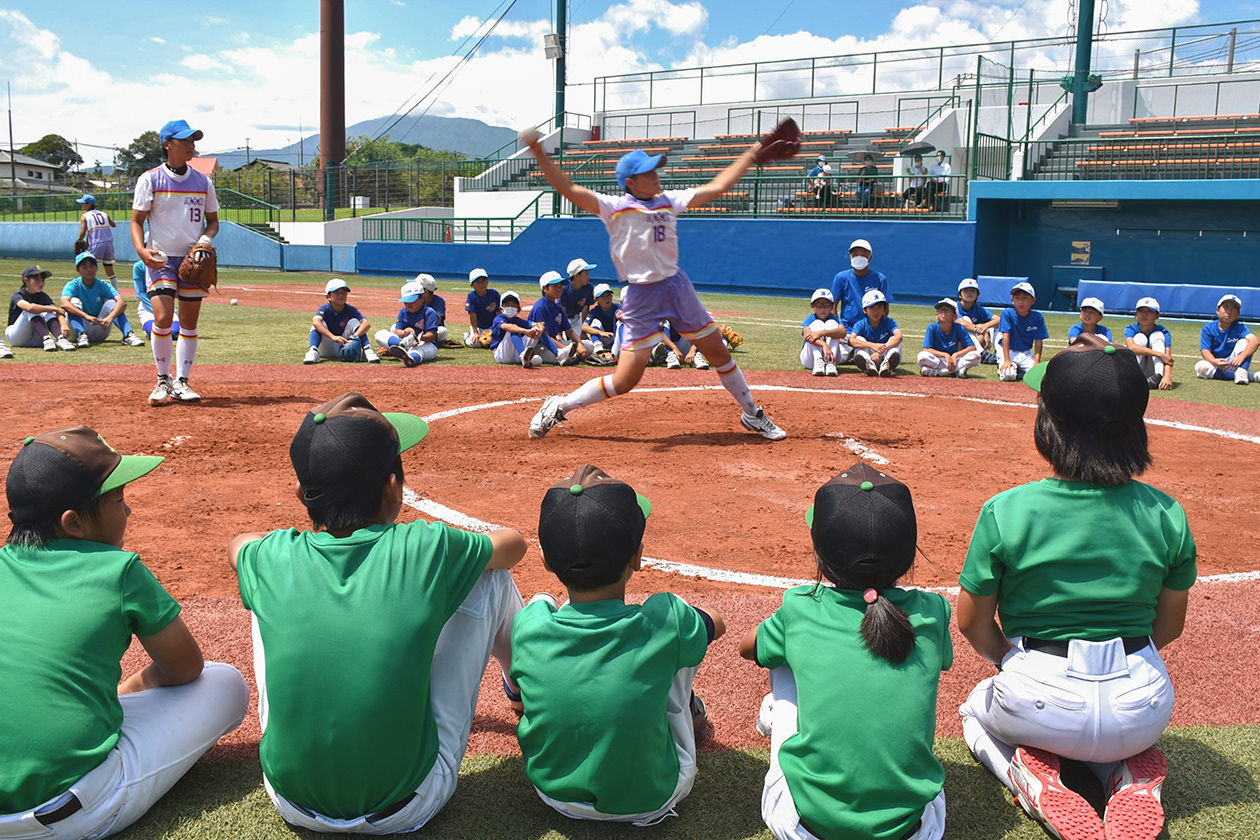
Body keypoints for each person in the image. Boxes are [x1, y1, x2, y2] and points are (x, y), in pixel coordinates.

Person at [229, 392, 526, 834]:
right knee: (491, 577)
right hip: (407, 805)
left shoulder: (271, 555)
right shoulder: (427, 545)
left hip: (290, 801)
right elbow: (513, 545)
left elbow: (238, 546)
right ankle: (523, 690)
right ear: (393, 486)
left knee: (266, 583)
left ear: (300, 492)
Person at [957, 341, 1196, 840]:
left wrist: (1010, 660)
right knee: (1111, 733)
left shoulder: (1007, 510)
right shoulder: (1167, 513)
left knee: (974, 710)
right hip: (1143, 703)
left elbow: (972, 622)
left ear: (1050, 425)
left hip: (1039, 694)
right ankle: (1121, 773)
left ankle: (1026, 777)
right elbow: (1168, 628)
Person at [0, 426, 248, 839]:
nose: (128, 511)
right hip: (72, 814)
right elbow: (186, 668)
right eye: (118, 500)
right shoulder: (118, 569)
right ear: (73, 523)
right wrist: (136, 683)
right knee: (226, 683)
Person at [521, 131, 786, 441]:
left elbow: (718, 187)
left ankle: (752, 414)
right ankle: (560, 405)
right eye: (648, 171)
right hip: (641, 297)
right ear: (631, 181)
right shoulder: (615, 207)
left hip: (676, 287)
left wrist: (752, 153)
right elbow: (567, 188)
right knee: (625, 380)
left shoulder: (668, 201)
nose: (656, 175)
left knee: (719, 353)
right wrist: (539, 151)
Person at [739, 463, 951, 840]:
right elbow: (943, 662)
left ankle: (775, 721)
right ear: (908, 553)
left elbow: (749, 648)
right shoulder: (933, 609)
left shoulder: (800, 606)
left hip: (805, 828)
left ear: (820, 550)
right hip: (915, 832)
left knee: (783, 661)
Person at [512, 464, 724, 825]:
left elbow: (541, 609)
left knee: (546, 605)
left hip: (553, 794)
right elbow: (716, 622)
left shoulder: (529, 626)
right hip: (652, 798)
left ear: (547, 562)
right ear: (637, 557)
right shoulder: (664, 618)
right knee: (679, 640)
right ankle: (691, 714)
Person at [131, 118, 219, 405]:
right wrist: (142, 252)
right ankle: (162, 379)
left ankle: (182, 381)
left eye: (193, 141)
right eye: (185, 141)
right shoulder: (150, 179)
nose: (191, 146)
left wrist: (205, 240)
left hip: (194, 259)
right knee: (163, 317)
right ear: (168, 144)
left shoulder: (203, 182)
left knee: (190, 324)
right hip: (160, 258)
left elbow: (213, 223)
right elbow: (136, 222)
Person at [60, 252, 145, 348]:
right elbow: (64, 303)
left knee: (113, 303)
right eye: (84, 266)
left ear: (97, 268)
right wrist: (86, 316)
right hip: (77, 330)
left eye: (92, 265)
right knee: (74, 301)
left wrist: (110, 317)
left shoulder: (102, 285)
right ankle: (81, 335)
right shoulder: (73, 285)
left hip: (100, 327)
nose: (89, 269)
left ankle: (128, 335)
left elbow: (122, 303)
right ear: (78, 270)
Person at [303, 278, 379, 365]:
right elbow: (316, 322)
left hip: (342, 346)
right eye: (337, 293)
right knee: (318, 324)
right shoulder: (325, 309)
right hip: (326, 347)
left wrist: (354, 337)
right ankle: (313, 351)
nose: (341, 295)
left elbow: (366, 324)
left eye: (343, 292)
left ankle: (367, 350)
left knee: (355, 322)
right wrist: (333, 337)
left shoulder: (351, 309)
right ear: (328, 297)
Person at [529, 271, 593, 366]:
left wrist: (579, 344)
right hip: (540, 346)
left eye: (560, 286)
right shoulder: (540, 307)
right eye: (555, 287)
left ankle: (573, 356)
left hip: (555, 344)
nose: (559, 289)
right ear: (545, 288)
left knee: (588, 345)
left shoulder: (557, 307)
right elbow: (545, 336)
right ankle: (573, 357)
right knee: (556, 357)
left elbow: (569, 331)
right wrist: (564, 349)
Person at [1194, 293, 1259, 385]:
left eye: (1233, 309)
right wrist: (1214, 362)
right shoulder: (1208, 328)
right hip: (1218, 364)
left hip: (1236, 362)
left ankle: (1242, 371)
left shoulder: (1240, 328)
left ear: (1238, 313)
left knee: (1244, 342)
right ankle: (1251, 376)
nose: (1229, 311)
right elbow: (1205, 351)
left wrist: (1241, 357)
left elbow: (1255, 341)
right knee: (1200, 367)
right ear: (1217, 310)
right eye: (1226, 307)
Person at [6, 265, 74, 353]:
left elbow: (56, 311)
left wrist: (63, 323)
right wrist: (53, 309)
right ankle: (46, 338)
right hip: (16, 337)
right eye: (37, 280)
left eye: (42, 280)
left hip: (37, 338)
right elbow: (29, 308)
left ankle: (60, 339)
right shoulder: (18, 295)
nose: (41, 283)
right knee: (33, 309)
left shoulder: (43, 296)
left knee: (47, 310)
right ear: (26, 280)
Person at [829, 238, 891, 331]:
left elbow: (885, 309)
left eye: (863, 254)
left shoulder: (880, 278)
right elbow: (832, 306)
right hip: (847, 329)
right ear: (850, 257)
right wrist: (839, 327)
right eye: (855, 254)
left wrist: (875, 329)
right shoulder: (841, 277)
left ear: (870, 257)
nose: (859, 257)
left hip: (871, 330)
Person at [372, 280, 438, 368]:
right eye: (406, 301)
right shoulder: (404, 311)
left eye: (412, 301)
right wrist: (405, 334)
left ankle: (411, 359)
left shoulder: (429, 312)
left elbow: (432, 335)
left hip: (426, 344)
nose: (408, 304)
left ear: (422, 297)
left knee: (417, 351)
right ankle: (402, 346)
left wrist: (419, 337)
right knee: (380, 334)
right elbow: (397, 330)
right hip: (405, 343)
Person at [997, 281, 1048, 382]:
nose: (1021, 301)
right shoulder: (1007, 313)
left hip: (1025, 353)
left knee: (1037, 376)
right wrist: (1007, 360)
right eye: (1017, 298)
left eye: (1025, 298)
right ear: (1012, 300)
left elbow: (1038, 341)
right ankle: (1007, 366)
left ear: (1033, 301)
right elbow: (1006, 336)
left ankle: (1019, 370)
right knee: (1008, 375)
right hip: (1008, 351)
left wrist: (1037, 361)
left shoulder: (1037, 317)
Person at [918, 298, 980, 377]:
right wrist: (945, 355)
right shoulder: (932, 327)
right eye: (941, 310)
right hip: (938, 359)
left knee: (976, 356)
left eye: (947, 310)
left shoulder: (959, 328)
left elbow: (972, 347)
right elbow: (926, 349)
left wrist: (956, 355)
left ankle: (938, 372)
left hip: (955, 360)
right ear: (937, 315)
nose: (943, 312)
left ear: (954, 316)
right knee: (922, 356)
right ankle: (955, 371)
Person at [1124, 296, 1174, 390]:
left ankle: (1158, 376)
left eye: (1149, 312)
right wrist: (1159, 354)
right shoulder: (1130, 328)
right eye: (1141, 311)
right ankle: (1132, 376)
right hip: (1138, 369)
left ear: (1157, 316)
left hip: (1153, 370)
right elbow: (1132, 347)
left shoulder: (1163, 331)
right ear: (1136, 314)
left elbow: (1168, 358)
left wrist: (1167, 377)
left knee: (1157, 335)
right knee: (1139, 337)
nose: (1144, 315)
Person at [849, 289, 903, 377]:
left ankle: (887, 366)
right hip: (870, 355)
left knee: (894, 340)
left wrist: (879, 351)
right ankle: (868, 365)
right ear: (865, 310)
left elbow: (899, 336)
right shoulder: (860, 324)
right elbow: (851, 340)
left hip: (885, 353)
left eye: (879, 308)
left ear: (884, 309)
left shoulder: (889, 322)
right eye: (872, 308)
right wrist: (873, 345)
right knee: (859, 339)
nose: (876, 312)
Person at [490, 290, 550, 367]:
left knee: (536, 330)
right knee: (514, 328)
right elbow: (506, 326)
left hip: (515, 354)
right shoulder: (498, 319)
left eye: (513, 305)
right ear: (501, 308)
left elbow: (538, 324)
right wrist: (525, 331)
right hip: (502, 355)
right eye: (507, 304)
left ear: (518, 309)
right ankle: (523, 355)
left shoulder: (518, 320)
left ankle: (558, 353)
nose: (510, 307)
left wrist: (540, 328)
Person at [800, 288, 846, 377]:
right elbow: (807, 335)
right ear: (813, 307)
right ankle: (818, 362)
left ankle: (831, 363)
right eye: (819, 305)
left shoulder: (835, 319)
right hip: (810, 358)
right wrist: (824, 345)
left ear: (832, 307)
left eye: (826, 305)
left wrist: (821, 333)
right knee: (817, 323)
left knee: (832, 324)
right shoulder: (810, 319)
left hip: (833, 355)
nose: (822, 309)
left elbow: (843, 332)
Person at [75, 194, 119, 283]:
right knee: (109, 269)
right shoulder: (104, 214)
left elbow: (83, 233)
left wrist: (79, 241)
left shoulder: (85, 216)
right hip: (109, 243)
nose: (82, 205)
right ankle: (115, 291)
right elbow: (113, 225)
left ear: (89, 204)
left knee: (86, 267)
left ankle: (88, 288)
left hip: (96, 243)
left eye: (83, 203)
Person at [131, 259, 179, 340]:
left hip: (166, 306)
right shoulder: (139, 266)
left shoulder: (167, 264)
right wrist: (156, 309)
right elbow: (140, 293)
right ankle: (147, 329)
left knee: (174, 333)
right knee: (155, 334)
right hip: (147, 307)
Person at [956, 278, 1000, 363]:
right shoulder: (955, 307)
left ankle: (999, 354)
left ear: (977, 295)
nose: (969, 293)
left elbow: (998, 320)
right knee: (966, 319)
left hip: (973, 341)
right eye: (966, 291)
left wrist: (985, 327)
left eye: (972, 291)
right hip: (956, 343)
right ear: (960, 295)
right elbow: (962, 323)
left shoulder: (977, 308)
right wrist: (984, 331)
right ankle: (982, 355)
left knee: (996, 326)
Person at [583, 283, 620, 363]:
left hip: (617, 340)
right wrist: (601, 333)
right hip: (602, 339)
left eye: (609, 295)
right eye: (603, 296)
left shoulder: (617, 307)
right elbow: (584, 326)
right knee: (595, 322)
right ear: (596, 299)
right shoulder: (595, 311)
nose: (607, 298)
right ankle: (599, 350)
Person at [463, 267, 500, 347]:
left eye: (484, 281)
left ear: (488, 281)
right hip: (479, 327)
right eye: (478, 282)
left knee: (499, 340)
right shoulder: (472, 296)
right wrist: (475, 332)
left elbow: (499, 313)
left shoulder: (494, 294)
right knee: (475, 343)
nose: (482, 284)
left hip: (492, 326)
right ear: (472, 285)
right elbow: (473, 314)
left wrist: (496, 328)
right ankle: (467, 338)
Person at [560, 258, 597, 324]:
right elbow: (562, 310)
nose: (588, 277)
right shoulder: (564, 289)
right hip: (563, 319)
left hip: (577, 319)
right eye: (586, 274)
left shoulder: (589, 288)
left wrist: (581, 325)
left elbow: (586, 308)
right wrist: (564, 326)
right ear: (576, 276)